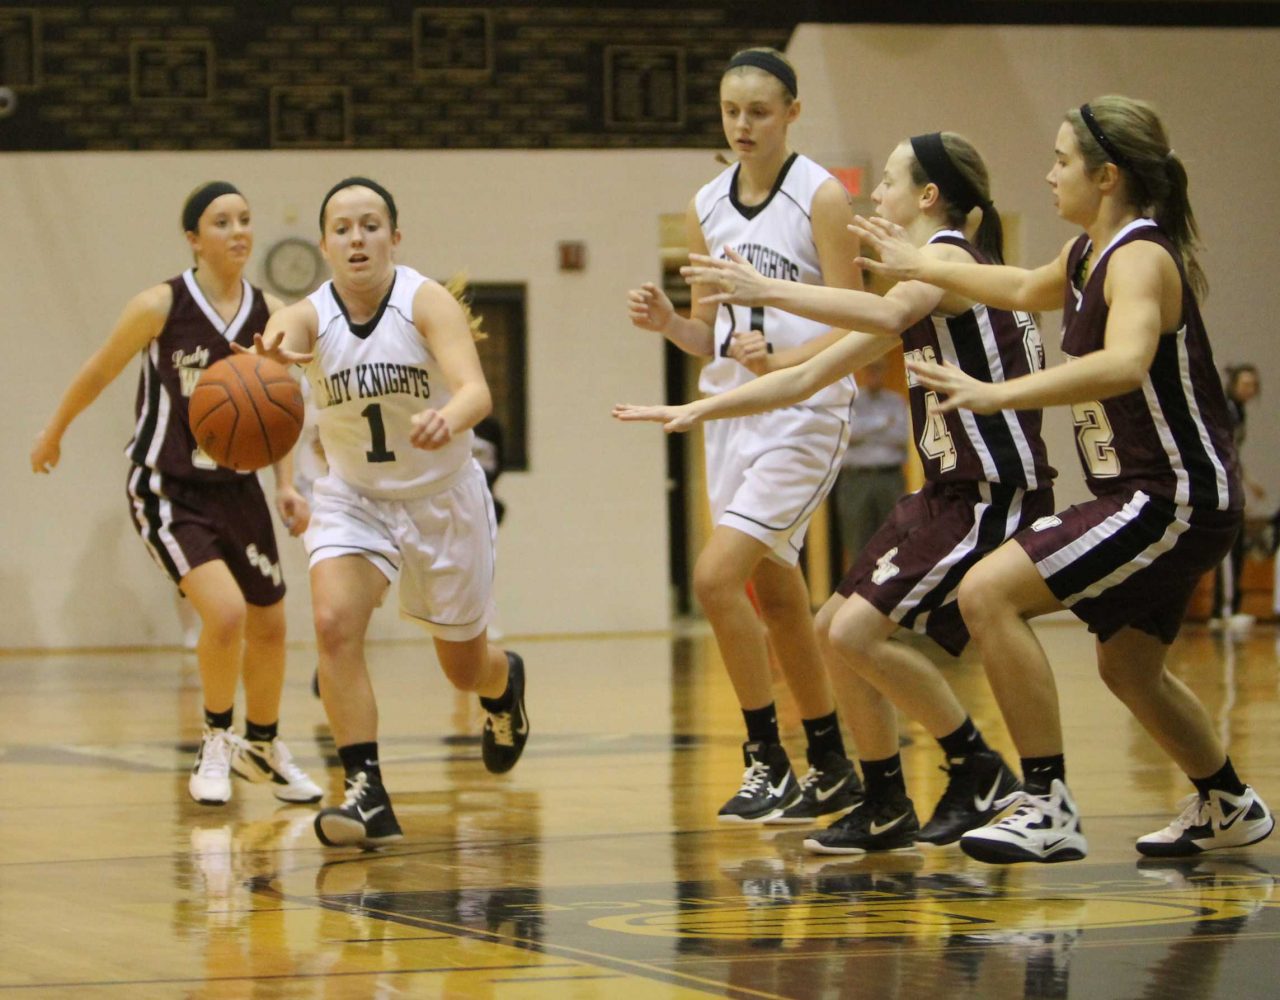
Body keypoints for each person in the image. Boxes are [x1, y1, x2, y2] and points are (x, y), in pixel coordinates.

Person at [855, 96, 1273, 862]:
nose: (1048, 175)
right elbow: (1018, 288)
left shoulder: (1141, 256)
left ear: (1106, 175)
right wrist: (919, 263)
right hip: (1146, 496)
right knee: (1128, 665)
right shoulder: (1084, 255)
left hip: (1171, 495)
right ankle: (1227, 801)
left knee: (988, 591)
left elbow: (1125, 362)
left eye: (1060, 160)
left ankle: (1045, 801)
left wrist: (996, 393)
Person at [619, 131, 1054, 854]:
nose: (873, 195)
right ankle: (884, 796)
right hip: (945, 494)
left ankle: (976, 764)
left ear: (928, 196)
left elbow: (881, 317)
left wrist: (768, 289)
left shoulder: (947, 257)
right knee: (830, 629)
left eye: (887, 181)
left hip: (991, 489)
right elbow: (802, 377)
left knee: (848, 631)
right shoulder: (918, 278)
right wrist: (693, 409)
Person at [247, 177, 528, 849]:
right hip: (355, 496)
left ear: (394, 237)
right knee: (333, 623)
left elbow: (476, 392)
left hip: (441, 494)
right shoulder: (311, 313)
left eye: (370, 225)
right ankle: (366, 791)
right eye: (342, 228)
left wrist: (448, 415)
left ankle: (503, 680)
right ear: (325, 244)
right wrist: (269, 357)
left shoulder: (424, 302)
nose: (356, 238)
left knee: (462, 666)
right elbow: (285, 328)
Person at [626, 47, 865, 825]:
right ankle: (831, 761)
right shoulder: (706, 202)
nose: (742, 125)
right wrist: (671, 324)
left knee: (716, 578)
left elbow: (859, 324)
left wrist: (787, 359)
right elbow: (709, 334)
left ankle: (767, 759)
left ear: (793, 113)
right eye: (731, 112)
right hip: (734, 412)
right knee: (773, 590)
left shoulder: (821, 197)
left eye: (759, 111)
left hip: (807, 408)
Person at [30, 181, 322, 808]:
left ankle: (263, 747)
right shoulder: (159, 305)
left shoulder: (270, 311)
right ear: (194, 238)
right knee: (225, 614)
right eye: (222, 222)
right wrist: (53, 432)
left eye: (245, 218)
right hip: (167, 485)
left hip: (237, 488)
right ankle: (215, 740)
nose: (238, 231)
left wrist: (288, 486)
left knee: (271, 623)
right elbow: (99, 370)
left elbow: (280, 408)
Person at [833, 357, 909, 570]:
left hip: (890, 478)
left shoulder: (896, 401)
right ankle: (856, 595)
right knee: (857, 542)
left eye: (879, 369)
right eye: (870, 369)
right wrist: (883, 423)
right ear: (863, 372)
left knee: (894, 539)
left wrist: (865, 431)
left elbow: (901, 437)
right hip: (856, 480)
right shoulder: (852, 402)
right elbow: (850, 434)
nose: (874, 374)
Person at [1209, 363, 1262, 631]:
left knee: (1236, 545)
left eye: (1253, 384)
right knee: (1228, 548)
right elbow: (1223, 454)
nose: (1249, 388)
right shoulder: (1227, 410)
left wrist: (1249, 484)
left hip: (1231, 482)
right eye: (1245, 383)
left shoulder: (1240, 411)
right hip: (1219, 486)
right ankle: (1223, 611)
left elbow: (1235, 456)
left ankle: (1229, 608)